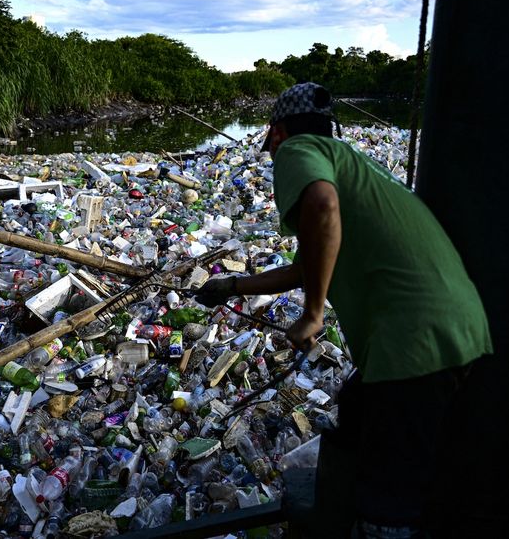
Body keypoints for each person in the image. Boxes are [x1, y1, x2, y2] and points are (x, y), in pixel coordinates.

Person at [195, 83, 493, 538]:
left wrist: (314, 314)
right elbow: (305, 264)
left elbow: (321, 204)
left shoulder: (298, 148)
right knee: (359, 418)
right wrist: (231, 285)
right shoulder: (350, 161)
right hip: (457, 330)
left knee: (390, 499)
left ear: (276, 134)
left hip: (413, 344)